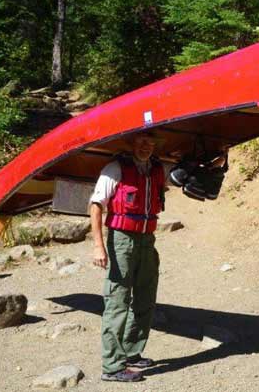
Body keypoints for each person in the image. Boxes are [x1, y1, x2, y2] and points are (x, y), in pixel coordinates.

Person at [89, 131, 166, 383]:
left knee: (146, 296)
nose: (146, 147)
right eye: (141, 142)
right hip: (121, 240)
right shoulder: (115, 168)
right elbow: (96, 205)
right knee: (118, 300)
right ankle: (112, 366)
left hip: (147, 240)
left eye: (150, 143)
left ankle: (132, 351)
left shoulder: (156, 168)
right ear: (131, 143)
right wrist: (98, 246)